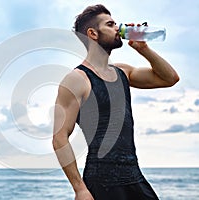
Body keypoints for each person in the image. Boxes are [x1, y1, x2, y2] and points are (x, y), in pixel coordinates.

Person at [52, 4, 179, 200]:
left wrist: (143, 49)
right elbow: (59, 137)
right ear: (93, 33)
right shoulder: (77, 79)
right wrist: (80, 189)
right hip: (101, 181)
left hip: (134, 176)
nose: (117, 28)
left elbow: (169, 78)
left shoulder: (123, 72)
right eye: (110, 24)